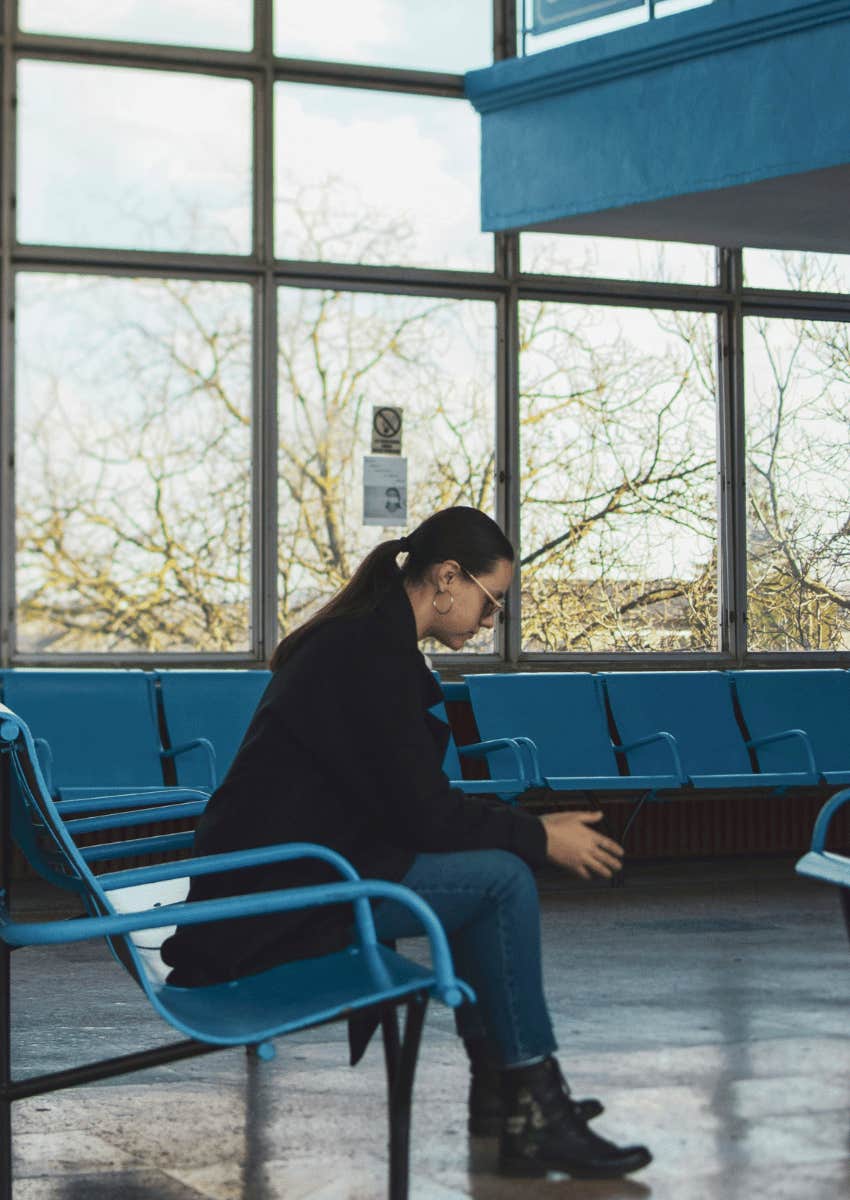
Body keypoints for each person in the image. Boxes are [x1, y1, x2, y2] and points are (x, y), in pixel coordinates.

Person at [161, 506, 651, 1180]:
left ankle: (509, 1096)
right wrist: (538, 836)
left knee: (495, 871)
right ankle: (529, 1105)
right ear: (448, 578)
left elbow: (408, 803)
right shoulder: (368, 656)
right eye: (492, 600)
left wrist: (522, 834)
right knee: (502, 881)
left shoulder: (366, 642)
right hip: (280, 892)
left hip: (286, 873)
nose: (491, 620)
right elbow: (423, 816)